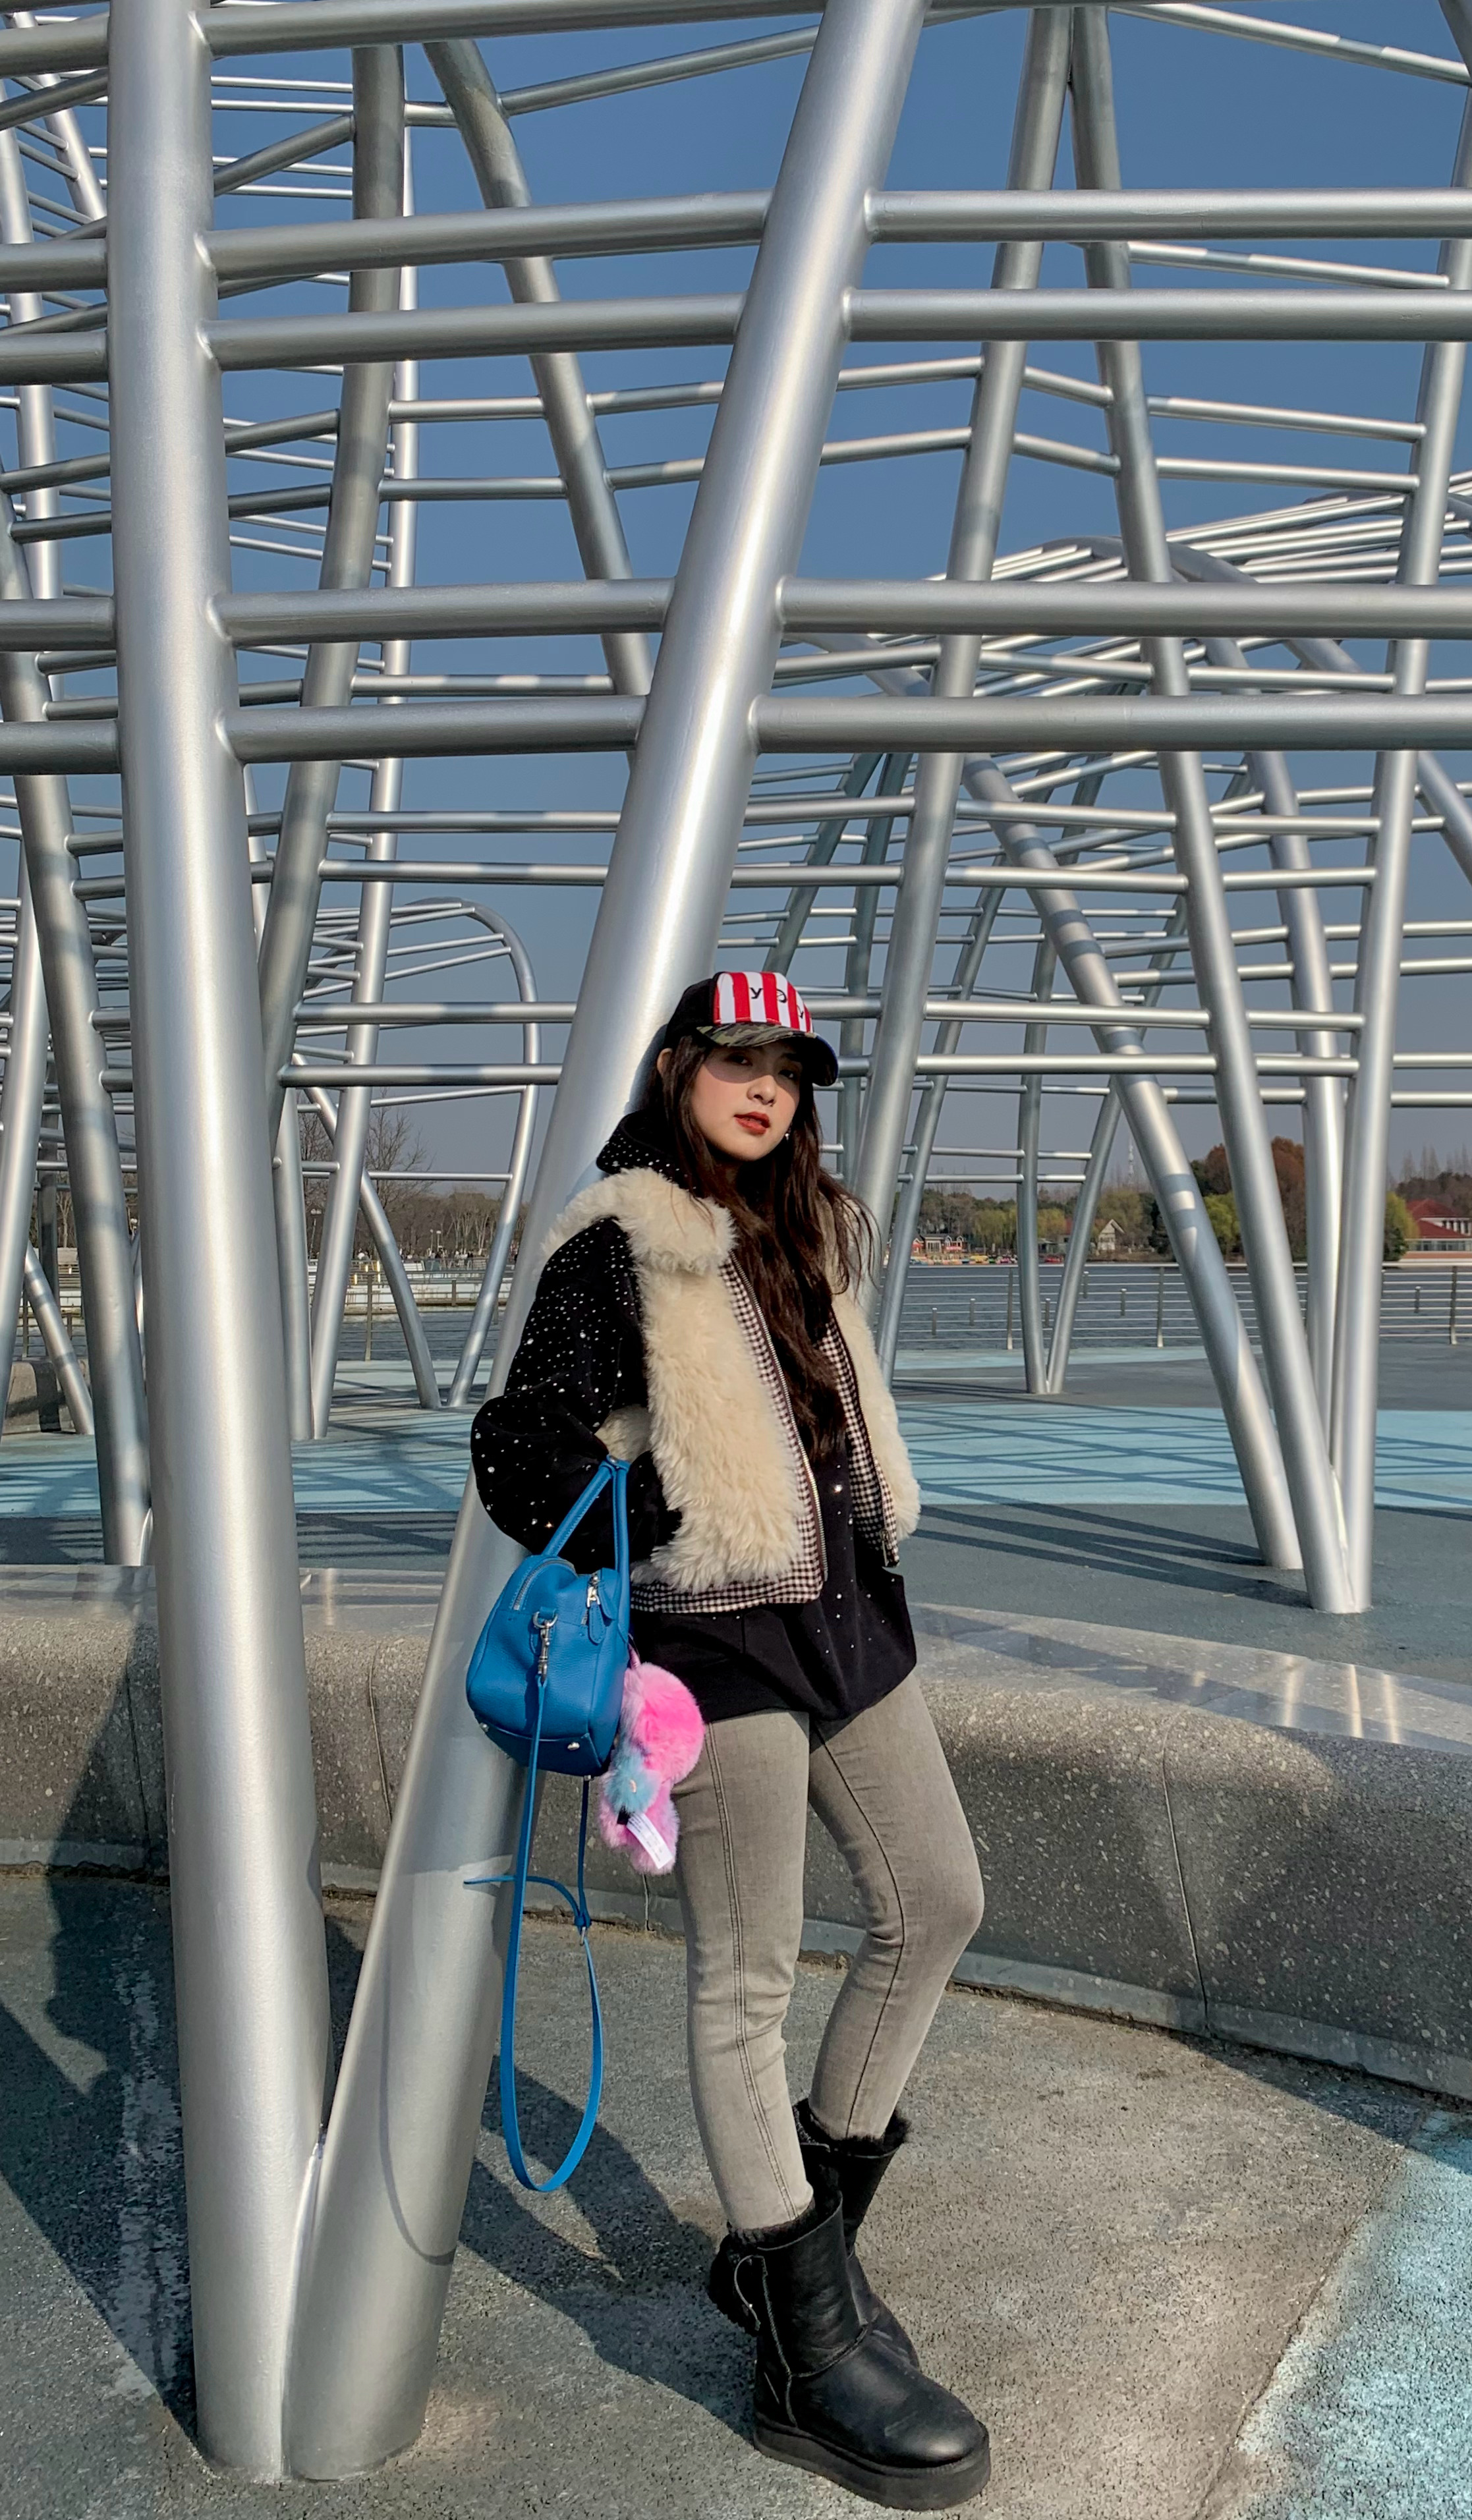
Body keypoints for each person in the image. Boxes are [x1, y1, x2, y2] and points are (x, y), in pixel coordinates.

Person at [471, 972, 990, 2511]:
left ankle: (790, 2250)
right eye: (737, 1058)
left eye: (788, 1067)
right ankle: (803, 2344)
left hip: (847, 1619)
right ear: (678, 1065)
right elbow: (520, 1447)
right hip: (716, 1640)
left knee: (938, 1900)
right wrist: (670, 1512)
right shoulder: (619, 1236)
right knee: (748, 1977)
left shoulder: (802, 1226)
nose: (766, 1086)